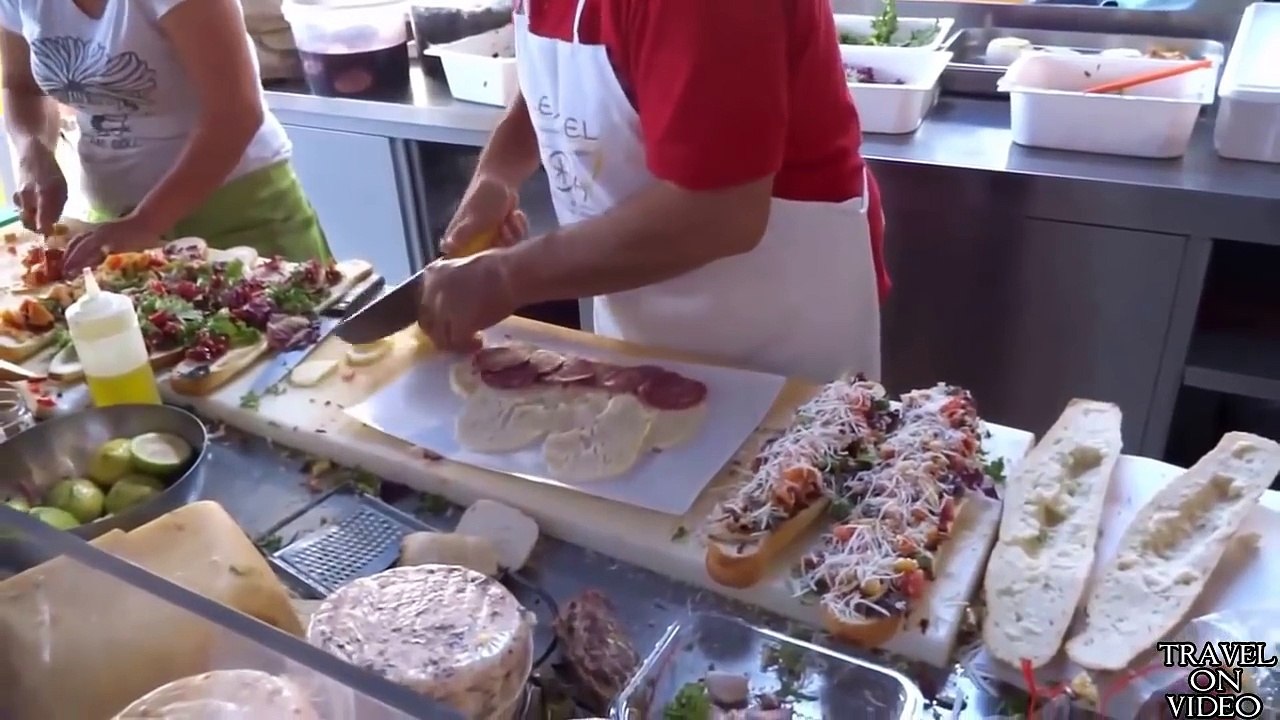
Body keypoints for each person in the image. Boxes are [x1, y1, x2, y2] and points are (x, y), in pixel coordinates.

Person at [416, 0, 889, 382]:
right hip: (640, 306)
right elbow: (548, 81)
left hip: (775, 323)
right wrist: (496, 174)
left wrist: (506, 277)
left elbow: (721, 212)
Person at [0, 0, 329, 276]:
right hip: (115, 220)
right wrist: (33, 154)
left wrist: (145, 222)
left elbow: (236, 112)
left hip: (236, 210)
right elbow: (21, 86)